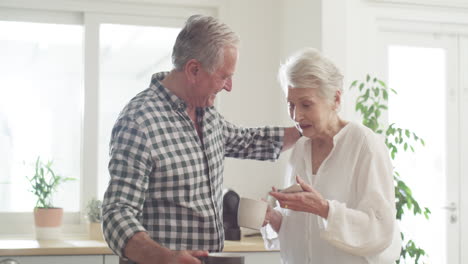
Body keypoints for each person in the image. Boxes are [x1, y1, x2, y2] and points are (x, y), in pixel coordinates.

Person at [102, 14, 301, 264]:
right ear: (194, 70)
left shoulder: (205, 113)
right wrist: (165, 258)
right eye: (223, 76)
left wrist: (303, 127)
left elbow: (248, 141)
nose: (229, 86)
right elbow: (116, 214)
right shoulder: (139, 122)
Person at [262, 48, 402, 264]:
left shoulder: (364, 145)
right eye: (291, 104)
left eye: (306, 104)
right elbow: (301, 230)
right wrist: (274, 219)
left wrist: (325, 209)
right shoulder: (300, 147)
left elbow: (381, 229)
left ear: (335, 99)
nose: (296, 115)